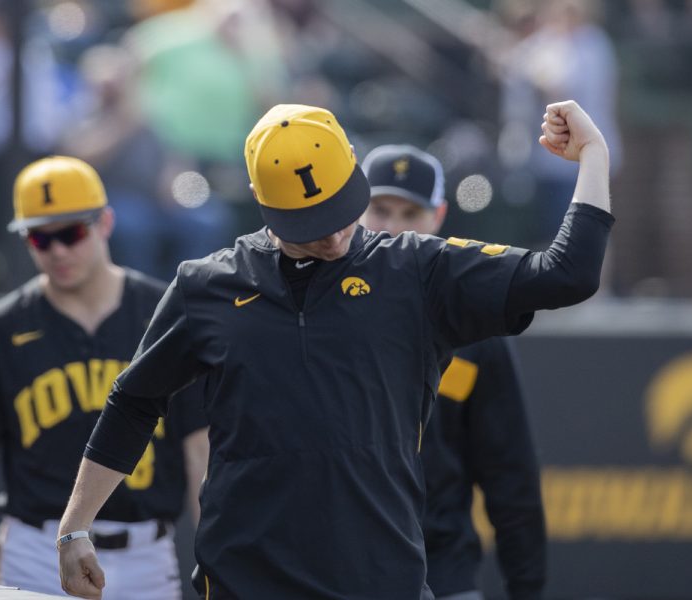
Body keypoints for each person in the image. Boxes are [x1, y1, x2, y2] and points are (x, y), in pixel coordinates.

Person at [57, 100, 613, 600]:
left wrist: (593, 156)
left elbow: (567, 274)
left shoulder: (416, 268)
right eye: (311, 221)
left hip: (381, 584)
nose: (332, 234)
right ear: (260, 202)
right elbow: (133, 401)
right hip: (242, 585)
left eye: (342, 206)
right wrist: (75, 526)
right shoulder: (205, 286)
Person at [0, 156, 209, 599]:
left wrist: (219, 569)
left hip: (145, 554)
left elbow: (202, 454)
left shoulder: (164, 316)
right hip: (36, 553)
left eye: (71, 233)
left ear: (106, 223)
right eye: (40, 237)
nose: (58, 250)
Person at [361, 144, 546, 600]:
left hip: (441, 569)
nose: (394, 227)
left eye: (411, 213)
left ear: (439, 215)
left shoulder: (476, 329)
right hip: (341, 572)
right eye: (380, 210)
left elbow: (509, 472)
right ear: (355, 210)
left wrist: (527, 587)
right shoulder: (322, 308)